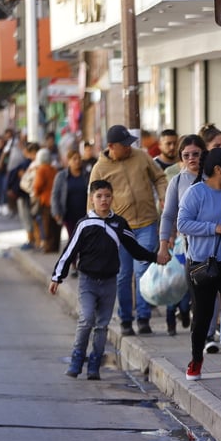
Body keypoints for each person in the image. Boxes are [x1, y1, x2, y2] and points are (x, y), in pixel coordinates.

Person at [50, 180, 161, 380]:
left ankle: (94, 365)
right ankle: (77, 360)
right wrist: (57, 277)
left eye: (107, 196)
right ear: (92, 199)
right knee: (86, 320)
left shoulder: (119, 223)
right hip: (88, 282)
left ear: (112, 198)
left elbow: (134, 248)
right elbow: (69, 252)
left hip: (109, 283)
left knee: (102, 326)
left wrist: (155, 258)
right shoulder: (84, 224)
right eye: (99, 196)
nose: (103, 200)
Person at [177, 147, 221, 383]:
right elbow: (183, 223)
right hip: (202, 265)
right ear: (218, 169)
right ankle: (196, 360)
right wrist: (213, 228)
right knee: (202, 317)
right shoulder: (195, 193)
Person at [90, 125, 168, 336]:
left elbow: (159, 177)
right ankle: (126, 319)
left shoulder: (141, 157)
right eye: (124, 145)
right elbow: (93, 201)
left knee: (142, 271)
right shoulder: (100, 168)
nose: (128, 147)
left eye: (129, 143)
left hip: (146, 222)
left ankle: (143, 318)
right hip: (119, 229)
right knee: (123, 275)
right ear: (111, 147)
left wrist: (163, 195)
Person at [158, 134, 207, 334]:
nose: (191, 159)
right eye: (186, 155)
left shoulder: (214, 176)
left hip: (220, 245)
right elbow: (168, 214)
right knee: (195, 294)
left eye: (196, 154)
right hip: (189, 247)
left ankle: (211, 334)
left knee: (215, 295)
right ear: (181, 158)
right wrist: (163, 243)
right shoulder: (177, 181)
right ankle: (201, 332)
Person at [51, 149, 91, 275]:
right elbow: (55, 195)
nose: (77, 161)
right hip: (69, 214)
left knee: (86, 239)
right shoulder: (61, 176)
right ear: (68, 161)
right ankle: (74, 265)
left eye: (79, 158)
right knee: (73, 239)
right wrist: (56, 212)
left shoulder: (87, 175)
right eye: (74, 159)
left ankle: (83, 264)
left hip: (85, 213)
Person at [32, 148, 60, 253]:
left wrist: (36, 194)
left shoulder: (41, 169)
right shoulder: (54, 169)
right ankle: (55, 246)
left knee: (47, 225)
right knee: (55, 225)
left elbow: (37, 185)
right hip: (55, 200)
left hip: (45, 200)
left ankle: (49, 247)